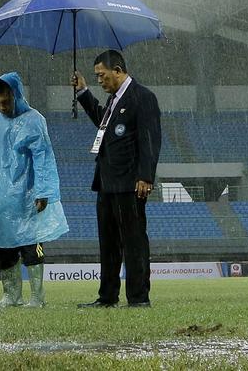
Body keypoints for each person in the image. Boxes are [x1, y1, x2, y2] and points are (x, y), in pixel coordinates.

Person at [70, 49, 161, 308]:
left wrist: (145, 176)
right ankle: (107, 297)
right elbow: (103, 124)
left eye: (102, 75)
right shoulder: (113, 100)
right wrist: (84, 92)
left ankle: (138, 298)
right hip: (107, 182)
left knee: (134, 243)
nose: (100, 80)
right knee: (108, 244)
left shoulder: (142, 98)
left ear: (118, 71)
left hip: (130, 182)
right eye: (96, 77)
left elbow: (150, 139)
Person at [0, 72, 68, 309]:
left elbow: (43, 157)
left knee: (31, 247)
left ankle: (37, 297)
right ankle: (11, 295)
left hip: (27, 197)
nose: (2, 107)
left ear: (16, 95)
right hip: (0, 199)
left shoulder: (34, 119)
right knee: (2, 248)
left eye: (6, 101)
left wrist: (43, 191)